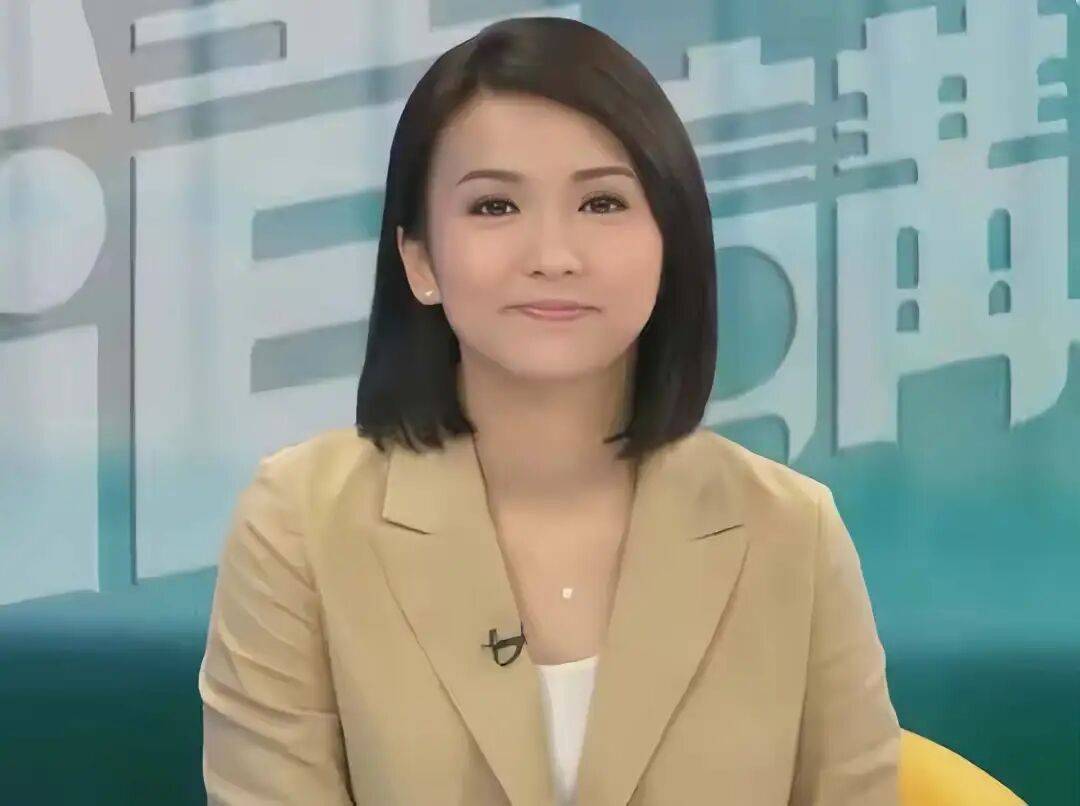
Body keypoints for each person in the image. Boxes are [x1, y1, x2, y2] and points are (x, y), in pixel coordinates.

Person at [198, 16, 900, 805]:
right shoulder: (298, 528)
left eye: (601, 202)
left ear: (669, 243)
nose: (553, 256)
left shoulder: (792, 534)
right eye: (495, 207)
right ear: (419, 259)